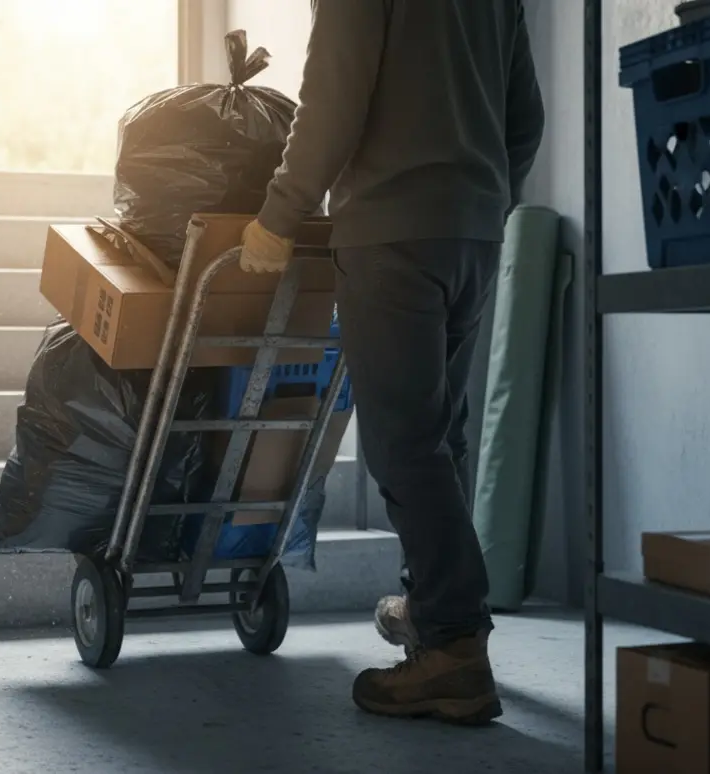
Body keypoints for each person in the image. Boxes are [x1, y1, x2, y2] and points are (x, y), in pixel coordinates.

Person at [239, 0, 545, 724]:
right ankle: (431, 608)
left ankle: (455, 648)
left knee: (403, 442)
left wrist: (278, 216)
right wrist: (483, 199)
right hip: (472, 235)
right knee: (441, 435)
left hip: (393, 236)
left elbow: (334, 100)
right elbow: (525, 116)